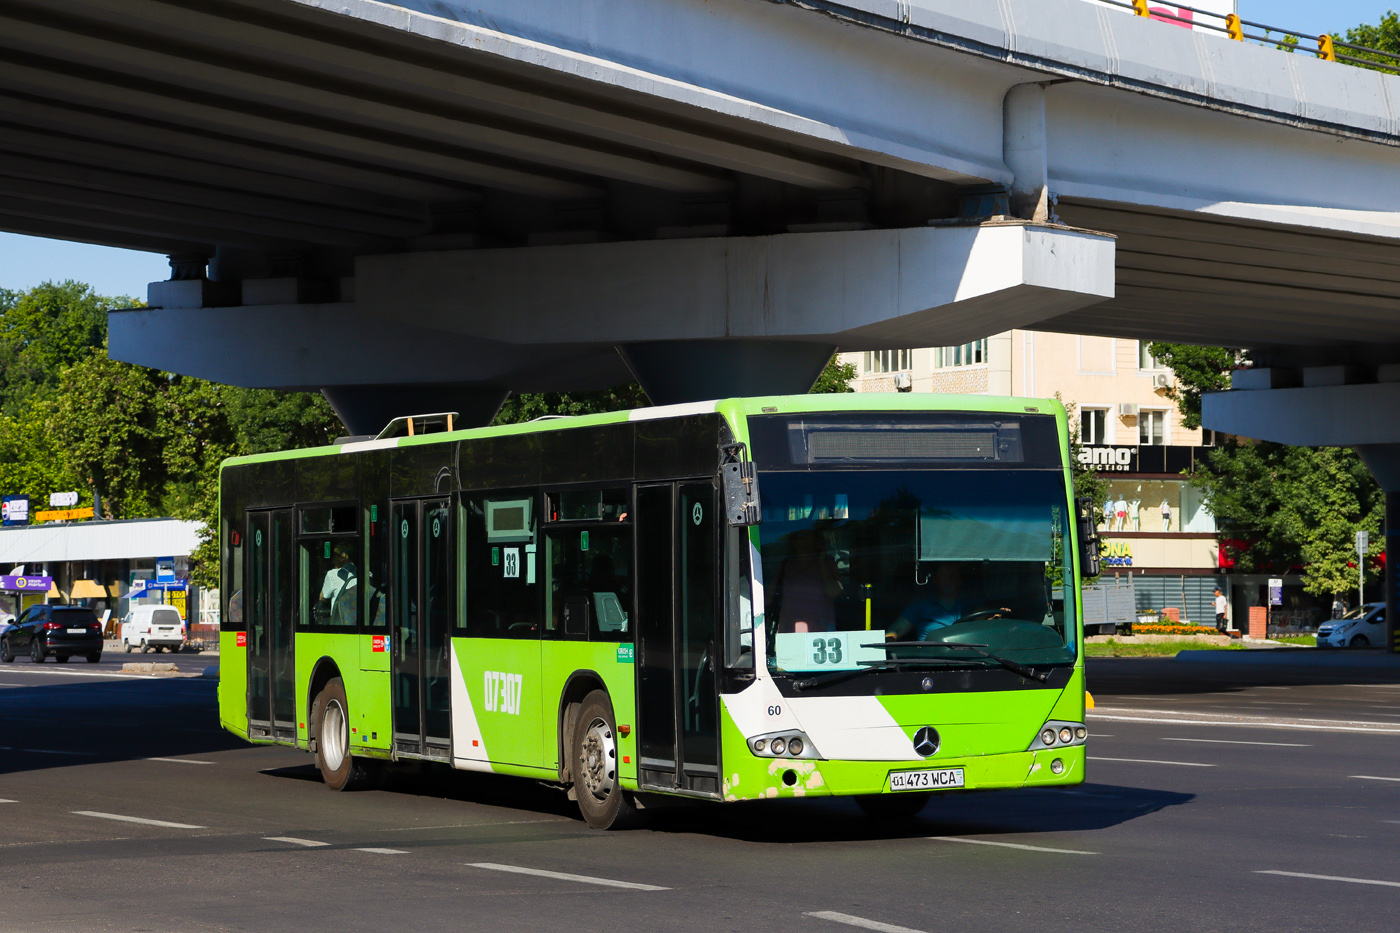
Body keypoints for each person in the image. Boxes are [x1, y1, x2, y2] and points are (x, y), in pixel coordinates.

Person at [890, 563, 1010, 641]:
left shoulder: (972, 602)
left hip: (968, 661)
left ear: (960, 578)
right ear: (935, 580)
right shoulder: (921, 604)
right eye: (944, 575)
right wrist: (888, 639)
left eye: (953, 574)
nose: (949, 578)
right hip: (930, 662)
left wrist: (995, 621)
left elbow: (981, 624)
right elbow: (897, 630)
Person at [775, 530, 841, 634]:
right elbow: (767, 599)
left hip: (821, 626)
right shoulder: (786, 564)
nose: (807, 543)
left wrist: (821, 560)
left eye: (811, 539)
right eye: (802, 538)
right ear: (794, 542)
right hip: (790, 625)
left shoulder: (827, 562)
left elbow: (833, 592)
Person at [318, 544, 358, 625]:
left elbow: (322, 597)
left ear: (343, 557)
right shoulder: (367, 574)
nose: (332, 560)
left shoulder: (332, 574)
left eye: (335, 556)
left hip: (339, 622)